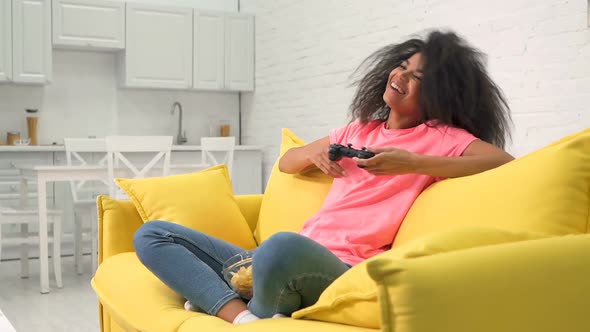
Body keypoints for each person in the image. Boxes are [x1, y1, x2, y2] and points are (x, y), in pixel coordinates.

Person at [133, 30, 514, 324]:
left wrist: (411, 162)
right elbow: (287, 163)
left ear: (437, 98)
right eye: (403, 66)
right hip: (276, 259)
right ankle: (244, 317)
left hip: (336, 267)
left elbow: (501, 160)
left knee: (280, 247)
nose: (402, 76)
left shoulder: (439, 138)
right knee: (153, 235)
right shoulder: (358, 130)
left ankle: (219, 300)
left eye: (419, 78)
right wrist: (312, 154)